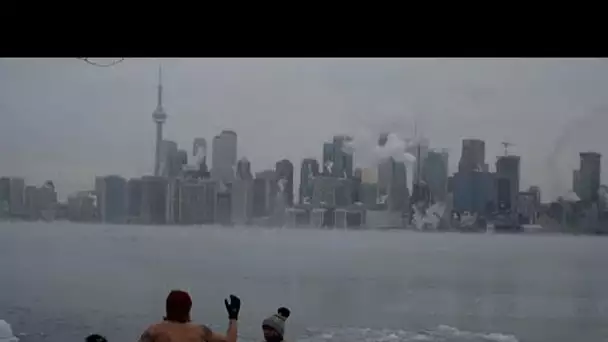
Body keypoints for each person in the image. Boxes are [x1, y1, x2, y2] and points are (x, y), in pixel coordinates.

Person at [138, 290, 240, 342]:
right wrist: (233, 317)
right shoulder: (200, 331)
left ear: (167, 308)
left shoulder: (154, 332)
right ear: (188, 309)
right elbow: (230, 340)